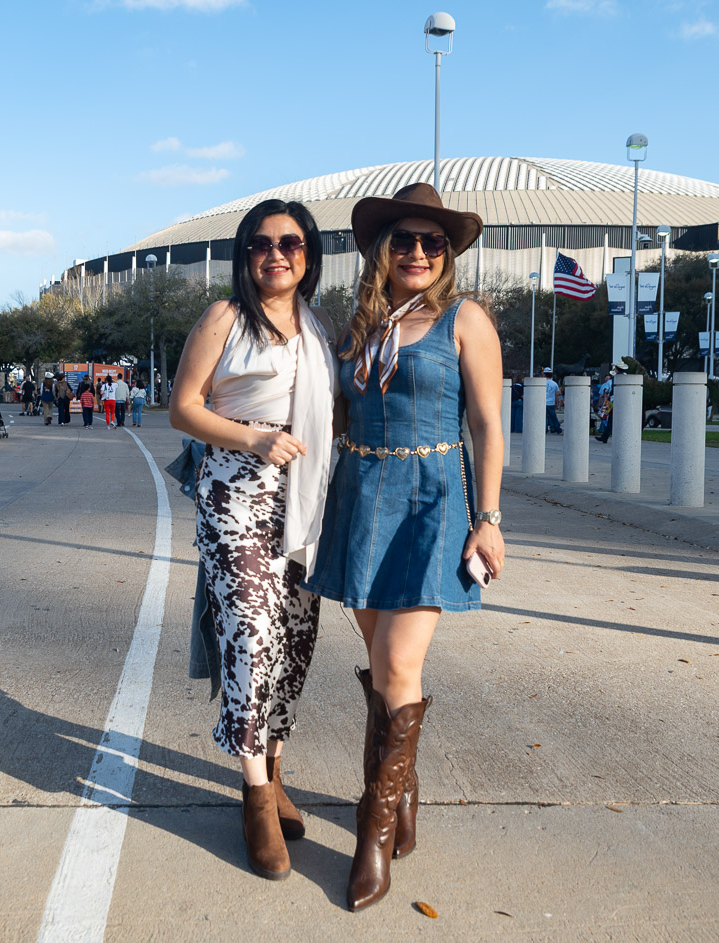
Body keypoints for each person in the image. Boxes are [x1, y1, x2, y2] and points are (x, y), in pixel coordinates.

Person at [303, 183, 505, 911]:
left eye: (433, 243)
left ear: (447, 254)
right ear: (381, 250)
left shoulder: (466, 320)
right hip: (362, 501)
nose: (418, 252)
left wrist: (489, 515)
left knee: (397, 660)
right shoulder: (358, 326)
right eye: (405, 240)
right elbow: (323, 411)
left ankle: (375, 828)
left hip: (431, 504)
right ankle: (405, 793)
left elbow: (487, 424)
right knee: (384, 671)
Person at [169, 198, 337, 883]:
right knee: (251, 635)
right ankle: (254, 794)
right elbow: (184, 405)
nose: (276, 254)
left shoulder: (318, 327)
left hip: (305, 499)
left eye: (290, 243)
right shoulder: (224, 318)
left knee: (295, 638)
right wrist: (255, 439)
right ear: (245, 255)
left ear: (308, 254)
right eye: (261, 244)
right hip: (237, 491)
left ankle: (274, 766)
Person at [542, 366, 562, 434]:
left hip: (543, 402)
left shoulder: (541, 383)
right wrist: (557, 402)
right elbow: (557, 394)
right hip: (551, 403)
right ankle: (557, 429)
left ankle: (544, 429)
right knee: (553, 417)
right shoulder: (554, 384)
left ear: (544, 374)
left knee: (544, 417)